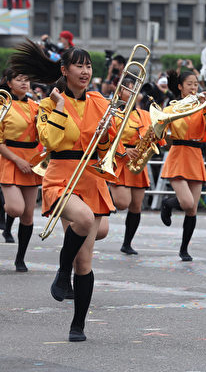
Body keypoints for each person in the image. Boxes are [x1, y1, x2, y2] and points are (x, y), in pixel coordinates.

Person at [10, 39, 120, 341]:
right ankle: (61, 270)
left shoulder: (100, 101)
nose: (85, 71)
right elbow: (52, 141)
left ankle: (78, 324)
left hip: (92, 177)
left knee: (84, 263)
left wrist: (108, 136)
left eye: (88, 66)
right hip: (61, 176)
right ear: (64, 70)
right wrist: (59, 107)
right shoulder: (46, 104)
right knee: (83, 220)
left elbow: (109, 145)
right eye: (79, 65)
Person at [159, 70, 206, 261]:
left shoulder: (201, 107)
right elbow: (161, 126)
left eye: (196, 84)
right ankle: (167, 203)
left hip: (195, 154)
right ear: (180, 87)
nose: (194, 88)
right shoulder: (172, 107)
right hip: (178, 152)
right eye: (190, 84)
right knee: (187, 203)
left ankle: (184, 249)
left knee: (192, 210)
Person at [110, 78, 165, 255]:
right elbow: (107, 139)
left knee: (136, 206)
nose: (133, 92)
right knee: (122, 203)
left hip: (138, 162)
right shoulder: (114, 114)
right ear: (119, 93)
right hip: (120, 160)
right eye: (128, 89)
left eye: (135, 89)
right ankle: (100, 200)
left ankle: (127, 243)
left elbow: (158, 138)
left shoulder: (145, 114)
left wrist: (161, 124)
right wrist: (124, 150)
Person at [0, 68, 43, 271]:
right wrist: (17, 160)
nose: (24, 83)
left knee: (27, 215)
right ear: (9, 83)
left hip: (32, 162)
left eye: (27, 79)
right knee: (15, 208)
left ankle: (20, 258)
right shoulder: (2, 104)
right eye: (19, 79)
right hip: (10, 159)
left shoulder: (36, 106)